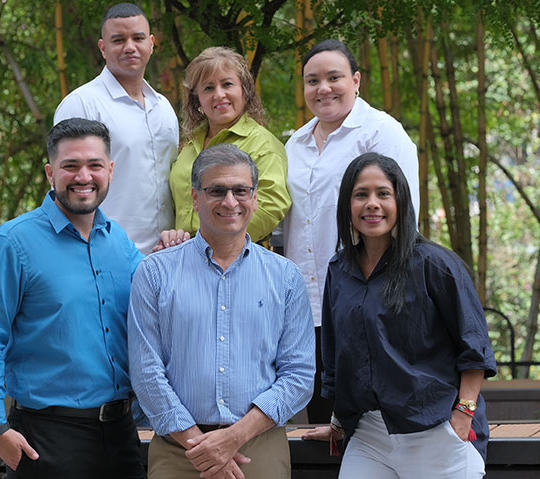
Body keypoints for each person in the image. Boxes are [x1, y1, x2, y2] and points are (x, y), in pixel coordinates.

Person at [0, 118, 146, 478]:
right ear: (50, 173)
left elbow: (157, 302)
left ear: (109, 170)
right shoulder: (13, 242)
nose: (83, 176)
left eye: (94, 165)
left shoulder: (118, 241)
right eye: (70, 166)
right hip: (46, 438)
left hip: (122, 435)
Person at [302, 152, 496, 478]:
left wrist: (463, 415)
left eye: (383, 193)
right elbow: (338, 356)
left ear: (400, 201)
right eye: (361, 194)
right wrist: (338, 422)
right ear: (347, 206)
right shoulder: (340, 269)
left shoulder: (435, 264)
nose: (372, 204)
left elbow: (474, 348)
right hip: (369, 434)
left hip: (433, 428)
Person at [129, 144, 315, 479]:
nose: (230, 202)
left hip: (258, 446)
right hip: (177, 449)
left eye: (241, 190)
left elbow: (299, 376)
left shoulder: (286, 277)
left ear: (255, 198)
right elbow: (146, 372)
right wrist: (199, 443)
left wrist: (234, 437)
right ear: (195, 197)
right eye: (217, 190)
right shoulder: (155, 273)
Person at [282, 39, 420, 423]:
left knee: (369, 416)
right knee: (322, 418)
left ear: (356, 80)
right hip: (305, 303)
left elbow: (404, 218)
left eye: (334, 77)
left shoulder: (381, 132)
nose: (323, 88)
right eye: (312, 81)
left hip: (366, 296)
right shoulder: (295, 143)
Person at [53, 3, 179, 254]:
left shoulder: (164, 107)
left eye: (138, 38)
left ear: (151, 43)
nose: (129, 47)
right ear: (103, 47)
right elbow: (63, 185)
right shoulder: (82, 104)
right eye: (119, 40)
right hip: (105, 254)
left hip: (166, 255)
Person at [166, 46, 290, 248]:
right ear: (197, 98)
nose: (219, 94)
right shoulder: (189, 144)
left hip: (236, 256)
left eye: (227, 84)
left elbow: (270, 207)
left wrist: (210, 241)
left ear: (244, 91)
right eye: (208, 88)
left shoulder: (262, 143)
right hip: (183, 256)